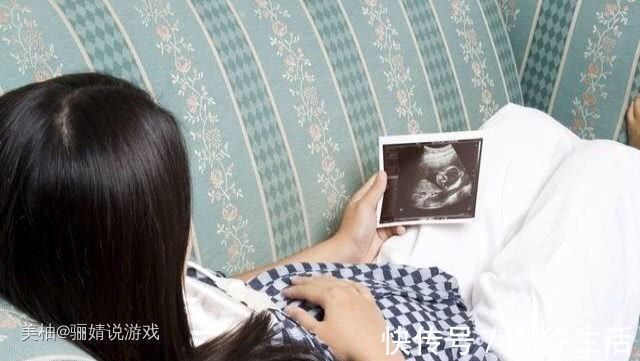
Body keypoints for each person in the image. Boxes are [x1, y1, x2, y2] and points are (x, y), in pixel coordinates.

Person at [0, 73, 638, 361]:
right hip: (410, 345)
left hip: (378, 295)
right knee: (610, 175)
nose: (189, 235)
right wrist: (377, 349)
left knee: (521, 133)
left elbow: (212, 303)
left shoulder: (120, 323)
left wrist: (342, 245)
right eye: (175, 217)